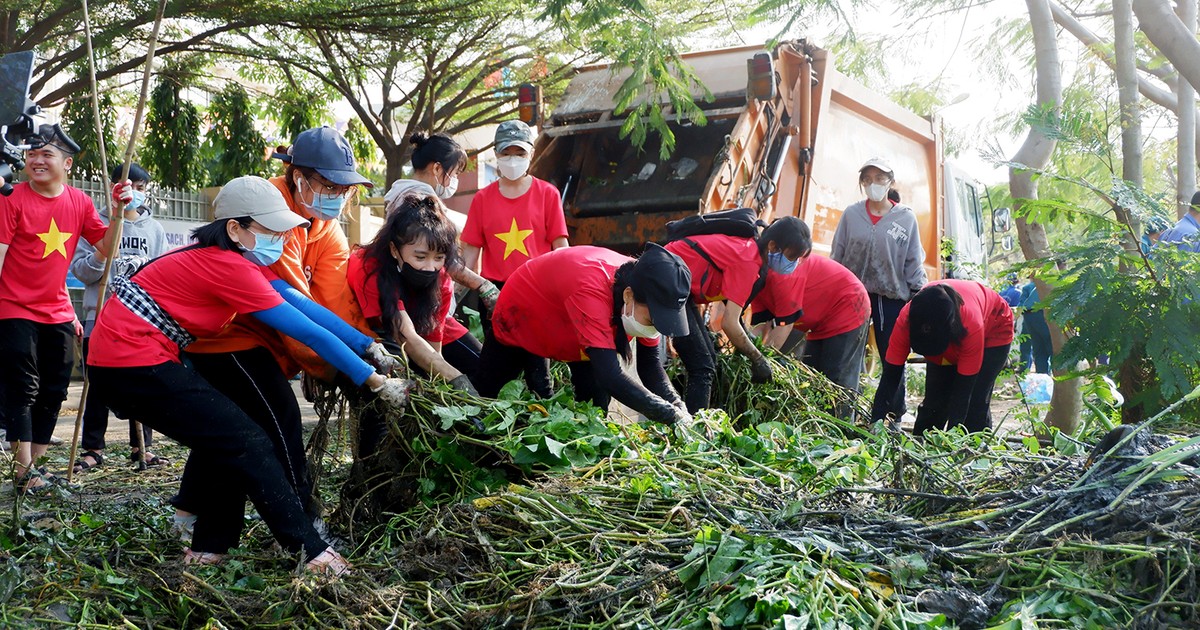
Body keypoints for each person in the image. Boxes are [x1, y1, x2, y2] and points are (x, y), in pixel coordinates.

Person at [86, 176, 409, 573]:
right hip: (132, 365)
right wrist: (373, 381)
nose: (279, 238)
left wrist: (365, 344)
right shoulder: (227, 266)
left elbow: (302, 304)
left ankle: (209, 548)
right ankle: (309, 550)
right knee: (248, 442)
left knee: (230, 438)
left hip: (128, 361)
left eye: (281, 230)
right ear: (235, 228)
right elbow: (303, 330)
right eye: (269, 230)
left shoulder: (237, 261)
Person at [179, 126, 375, 529]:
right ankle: (304, 525)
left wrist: (363, 347)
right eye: (328, 185)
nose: (337, 197)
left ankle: (186, 514)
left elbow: (333, 302)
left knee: (231, 421)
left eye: (344, 189)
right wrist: (335, 368)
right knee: (281, 416)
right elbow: (297, 311)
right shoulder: (268, 213)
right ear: (298, 177)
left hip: (268, 342)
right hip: (228, 336)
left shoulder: (328, 230)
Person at [0, 124, 115, 494]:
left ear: (67, 163)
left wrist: (121, 213)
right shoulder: (10, 197)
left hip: (57, 310)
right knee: (23, 386)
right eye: (32, 153)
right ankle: (23, 470)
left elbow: (106, 247)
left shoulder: (79, 202)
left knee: (55, 388)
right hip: (12, 306)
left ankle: (36, 467)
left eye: (46, 154)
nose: (36, 160)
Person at [474, 244, 692, 425]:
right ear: (628, 295)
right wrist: (667, 414)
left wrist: (676, 404)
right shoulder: (592, 289)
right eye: (654, 320)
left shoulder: (647, 288)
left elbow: (650, 365)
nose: (655, 328)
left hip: (574, 328)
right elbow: (611, 376)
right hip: (522, 313)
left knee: (594, 412)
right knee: (488, 398)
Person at [348, 194, 480, 455]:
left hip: (408, 332)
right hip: (366, 334)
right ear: (395, 249)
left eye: (439, 257)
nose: (430, 267)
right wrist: (457, 380)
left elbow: (433, 343)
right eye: (420, 257)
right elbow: (404, 333)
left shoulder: (440, 277)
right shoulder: (368, 267)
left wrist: (443, 388)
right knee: (384, 394)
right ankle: (372, 466)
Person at [70, 163, 171, 472]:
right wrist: (103, 253)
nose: (135, 194)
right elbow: (81, 270)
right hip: (99, 314)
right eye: (130, 187)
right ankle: (93, 449)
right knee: (97, 383)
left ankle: (143, 447)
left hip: (138, 319)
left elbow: (163, 273)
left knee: (141, 381)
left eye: (141, 189)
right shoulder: (94, 223)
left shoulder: (154, 229)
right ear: (114, 188)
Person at [664, 216, 812, 413]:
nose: (792, 264)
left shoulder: (751, 252)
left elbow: (733, 314)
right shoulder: (748, 260)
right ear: (773, 246)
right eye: (791, 257)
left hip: (680, 284)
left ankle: (690, 421)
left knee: (707, 358)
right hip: (668, 276)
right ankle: (693, 432)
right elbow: (729, 323)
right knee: (703, 365)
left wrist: (748, 340)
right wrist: (757, 358)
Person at [381, 131, 499, 373]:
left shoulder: (399, 196)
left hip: (426, 306)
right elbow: (444, 261)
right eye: (454, 172)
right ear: (437, 169)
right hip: (427, 306)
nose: (454, 179)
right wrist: (483, 285)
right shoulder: (421, 202)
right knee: (483, 372)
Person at [831, 157, 927, 420]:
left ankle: (892, 416)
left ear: (890, 182)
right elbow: (837, 254)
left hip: (890, 297)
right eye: (868, 179)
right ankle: (843, 413)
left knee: (891, 357)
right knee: (848, 356)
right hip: (852, 295)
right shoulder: (852, 214)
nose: (873, 184)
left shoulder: (905, 219)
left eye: (879, 179)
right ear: (862, 183)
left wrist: (919, 294)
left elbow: (913, 261)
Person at [871, 280, 1013, 435]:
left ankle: (973, 451)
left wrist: (953, 440)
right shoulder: (906, 320)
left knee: (975, 402)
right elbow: (890, 378)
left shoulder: (971, 324)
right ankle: (922, 446)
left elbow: (964, 391)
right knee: (934, 403)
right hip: (945, 331)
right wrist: (874, 425)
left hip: (994, 329)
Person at [750, 246, 870, 418]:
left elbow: (783, 328)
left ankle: (841, 435)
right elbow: (760, 328)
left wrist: (762, 362)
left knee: (836, 382)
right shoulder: (758, 286)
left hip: (848, 306)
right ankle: (816, 430)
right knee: (814, 377)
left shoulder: (782, 277)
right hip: (820, 318)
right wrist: (746, 355)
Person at [461, 120, 568, 287]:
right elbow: (469, 255)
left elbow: (561, 248)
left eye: (520, 153)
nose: (513, 160)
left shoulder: (548, 194)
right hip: (495, 290)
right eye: (506, 153)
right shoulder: (482, 198)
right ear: (496, 153)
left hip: (539, 285)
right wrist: (455, 293)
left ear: (531, 153)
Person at [1017, 278, 1051, 374]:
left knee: (1039, 349)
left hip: (1029, 316)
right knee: (1052, 347)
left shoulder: (1029, 287)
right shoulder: (1054, 282)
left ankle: (1042, 376)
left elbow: (1021, 306)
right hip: (1042, 313)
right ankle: (1057, 378)